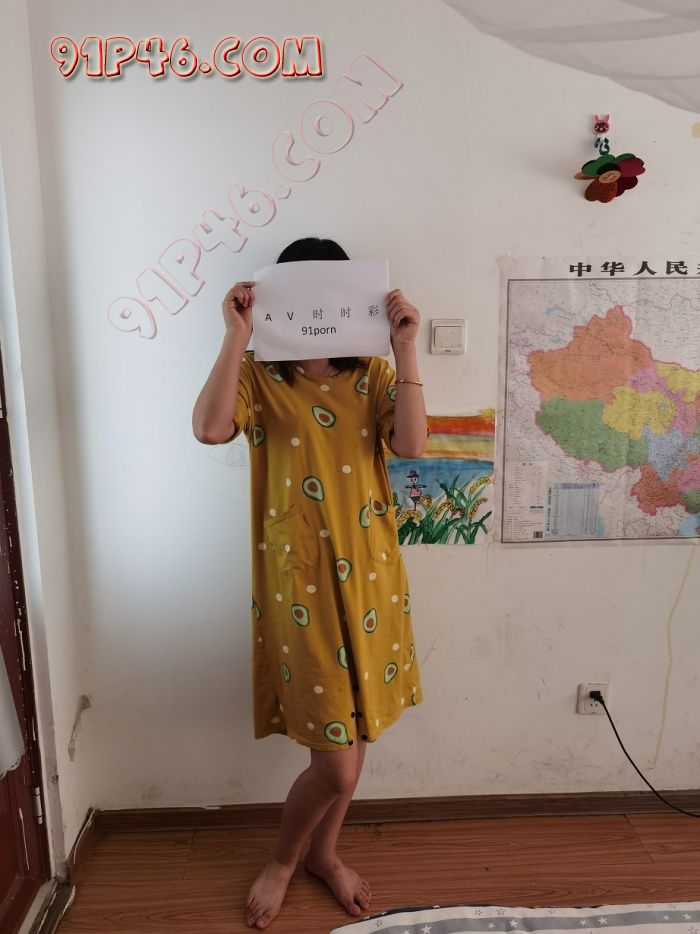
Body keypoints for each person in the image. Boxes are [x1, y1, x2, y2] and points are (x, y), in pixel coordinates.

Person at [192, 237, 428, 930]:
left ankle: (324, 854)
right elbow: (209, 428)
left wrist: (405, 347)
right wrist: (236, 334)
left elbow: (411, 445)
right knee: (338, 766)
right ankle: (284, 859)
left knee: (358, 732)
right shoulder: (260, 376)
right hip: (298, 585)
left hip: (372, 578)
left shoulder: (375, 373)